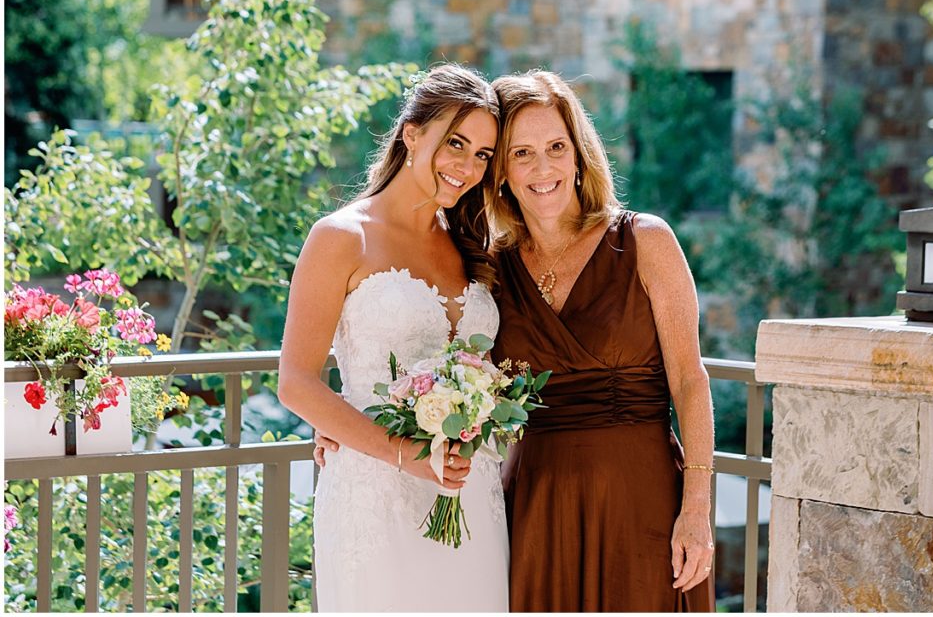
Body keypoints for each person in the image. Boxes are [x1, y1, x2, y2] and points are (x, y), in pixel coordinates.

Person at [279, 64, 509, 612]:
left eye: (482, 155)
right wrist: (405, 454)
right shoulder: (340, 238)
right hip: (374, 497)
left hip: (470, 491)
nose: (468, 166)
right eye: (456, 143)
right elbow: (296, 383)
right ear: (411, 133)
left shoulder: (473, 244)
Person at [488, 70, 716, 612]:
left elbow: (689, 380)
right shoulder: (491, 270)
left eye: (555, 147)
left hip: (640, 496)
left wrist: (696, 508)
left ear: (578, 155)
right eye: (522, 153)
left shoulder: (645, 241)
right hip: (537, 504)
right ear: (499, 171)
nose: (542, 168)